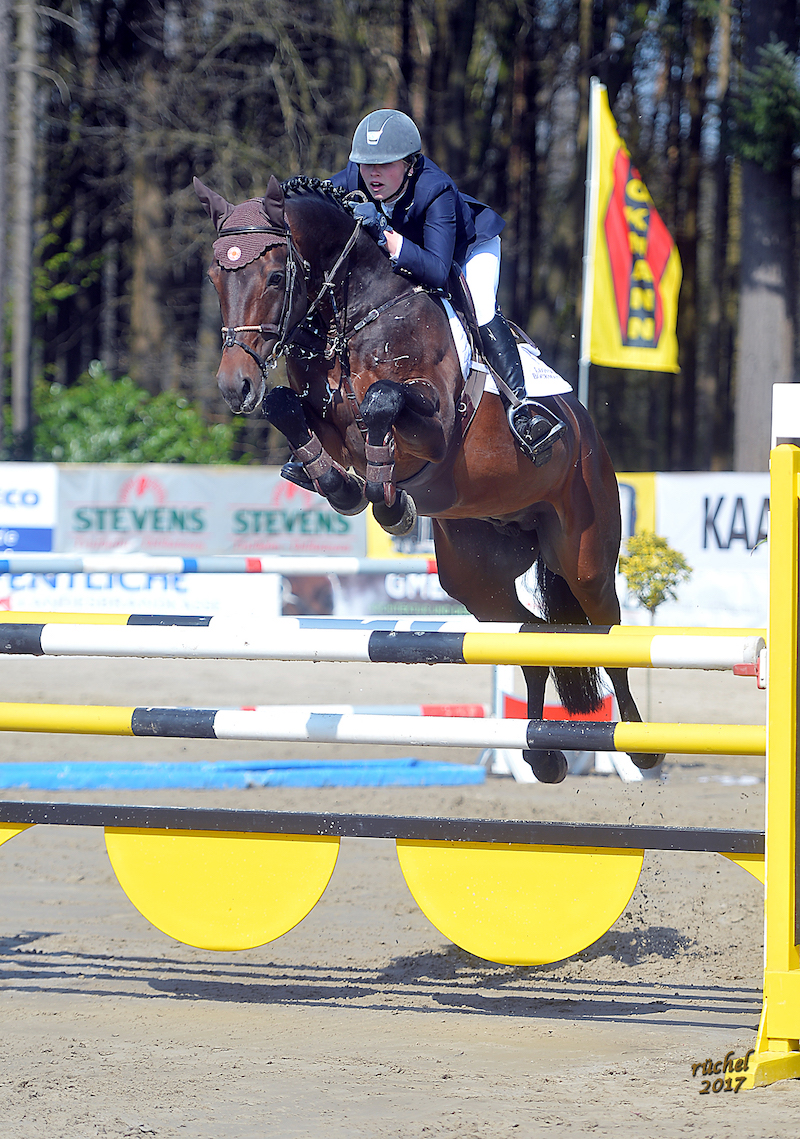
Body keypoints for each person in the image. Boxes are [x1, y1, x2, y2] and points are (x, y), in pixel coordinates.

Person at [331, 108, 565, 461]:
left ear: (410, 164)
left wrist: (384, 232)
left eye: (386, 165)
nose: (373, 174)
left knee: (481, 306)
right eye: (366, 165)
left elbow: (439, 271)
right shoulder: (355, 177)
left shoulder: (435, 188)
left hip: (465, 250)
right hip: (414, 253)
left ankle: (523, 409)